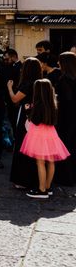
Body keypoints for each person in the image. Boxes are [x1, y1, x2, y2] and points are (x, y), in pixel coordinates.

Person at [20, 79, 70, 199]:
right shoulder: (53, 103)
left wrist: (28, 111)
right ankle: (47, 187)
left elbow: (35, 121)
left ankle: (41, 190)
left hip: (38, 134)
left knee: (40, 162)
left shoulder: (38, 104)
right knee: (51, 161)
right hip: (51, 133)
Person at [7, 57, 43, 190]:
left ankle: (22, 179)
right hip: (35, 117)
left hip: (25, 116)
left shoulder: (27, 83)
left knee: (23, 146)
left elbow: (15, 99)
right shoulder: (40, 82)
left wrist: (10, 88)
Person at [55, 51, 76, 186]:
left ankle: (66, 177)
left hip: (66, 118)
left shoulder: (64, 79)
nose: (57, 63)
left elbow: (66, 100)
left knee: (66, 147)